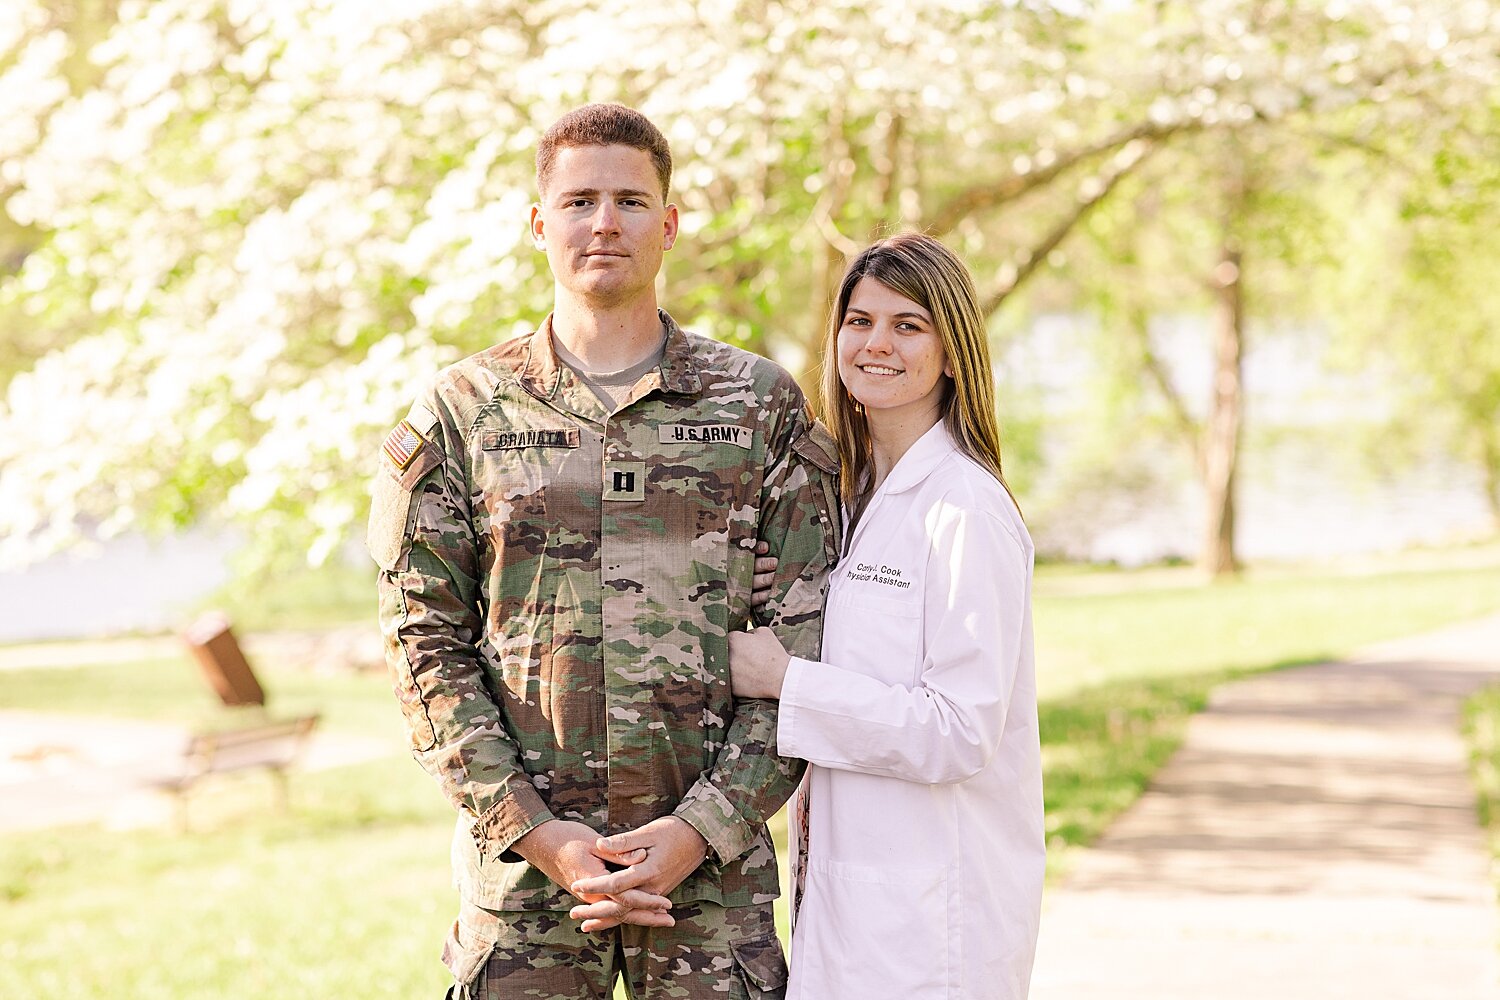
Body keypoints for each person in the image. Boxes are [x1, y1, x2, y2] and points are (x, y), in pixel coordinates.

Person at [367, 103, 840, 1000]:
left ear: (668, 225)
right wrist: (539, 834)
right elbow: (424, 649)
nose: (604, 223)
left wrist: (701, 828)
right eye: (580, 200)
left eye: (630, 201)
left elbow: (807, 645)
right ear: (539, 223)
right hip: (524, 887)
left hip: (711, 886)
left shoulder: (758, 407)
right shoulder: (466, 412)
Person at [726, 233, 1044, 999]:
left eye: (908, 325)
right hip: (846, 899)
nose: (876, 344)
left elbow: (962, 729)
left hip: (934, 922)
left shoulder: (965, 506)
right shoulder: (845, 493)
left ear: (953, 350)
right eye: (859, 320)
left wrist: (785, 682)